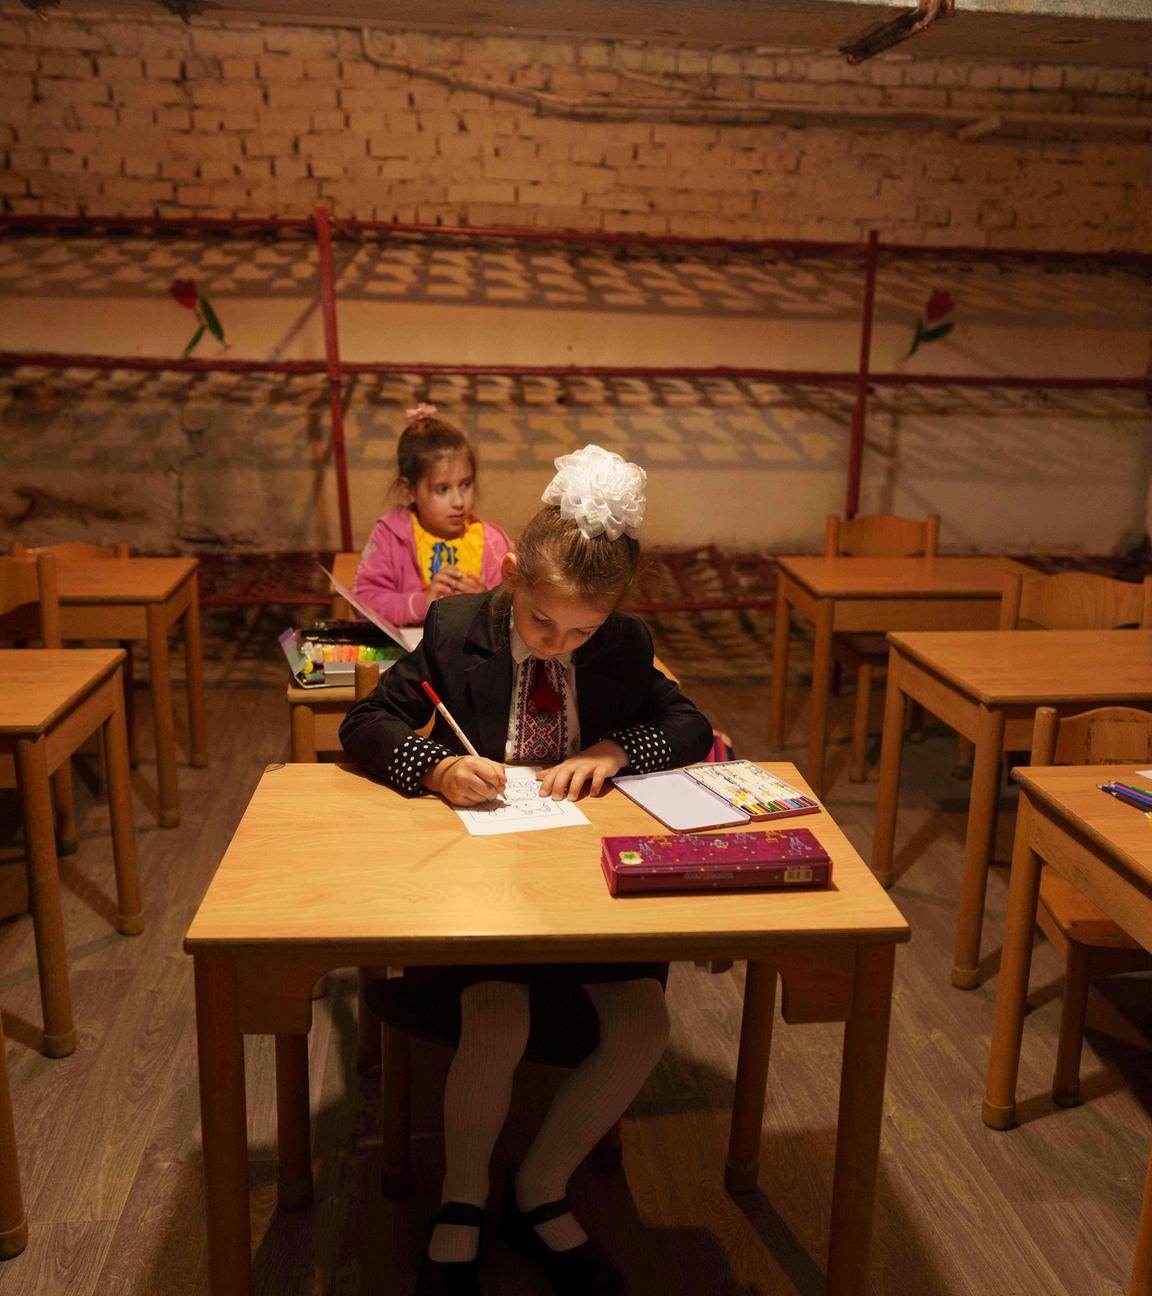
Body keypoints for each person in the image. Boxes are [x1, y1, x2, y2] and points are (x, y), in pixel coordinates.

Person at [341, 445, 714, 1296]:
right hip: (486, 883)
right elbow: (364, 722)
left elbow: (688, 726)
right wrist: (433, 768)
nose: (558, 646)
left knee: (644, 1024)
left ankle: (540, 1187)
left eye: (581, 632)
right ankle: (463, 1199)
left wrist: (619, 749)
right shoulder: (454, 629)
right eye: (544, 624)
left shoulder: (621, 647)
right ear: (511, 579)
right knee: (498, 1015)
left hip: (588, 882)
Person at [352, 404, 513, 626]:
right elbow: (363, 602)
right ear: (409, 490)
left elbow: (516, 606)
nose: (458, 502)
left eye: (466, 484)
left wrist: (487, 602)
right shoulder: (390, 536)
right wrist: (423, 602)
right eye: (442, 489)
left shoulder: (492, 542)